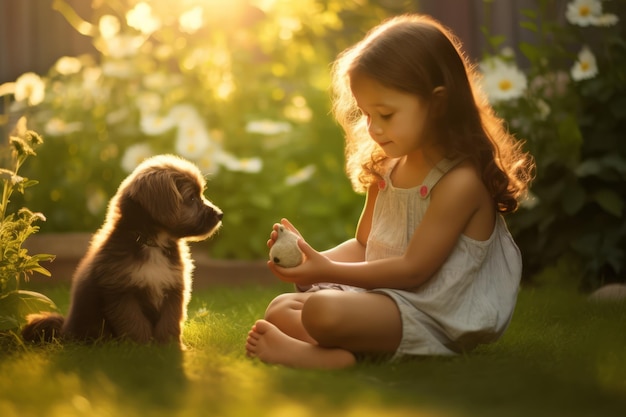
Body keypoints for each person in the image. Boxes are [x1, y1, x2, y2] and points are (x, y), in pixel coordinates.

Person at [245, 13, 534, 369]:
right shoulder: (387, 167)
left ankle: (323, 355)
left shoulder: (459, 182)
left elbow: (413, 272)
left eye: (385, 114)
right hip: (387, 299)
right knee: (281, 308)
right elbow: (366, 246)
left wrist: (325, 272)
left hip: (433, 312)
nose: (374, 128)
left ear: (437, 103)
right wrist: (312, 258)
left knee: (322, 310)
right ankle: (340, 354)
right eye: (367, 114)